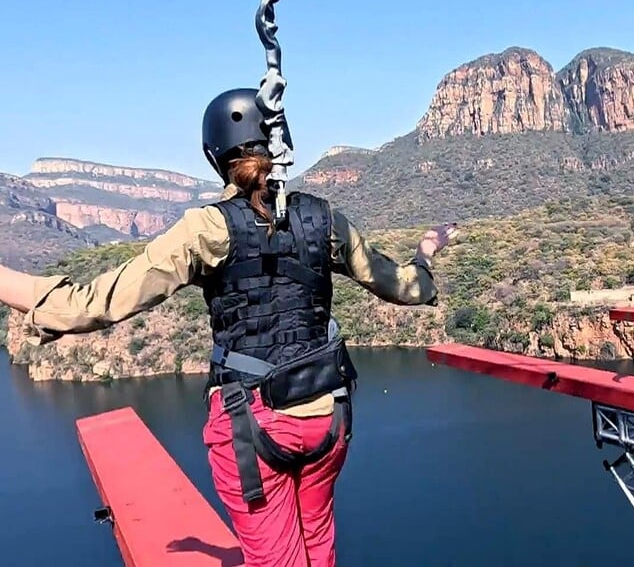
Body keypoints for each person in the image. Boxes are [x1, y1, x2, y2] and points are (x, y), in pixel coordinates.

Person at [0, 87, 459, 567]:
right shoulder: (323, 220)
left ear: (214, 154)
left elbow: (96, 304)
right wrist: (426, 253)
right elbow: (404, 287)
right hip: (328, 415)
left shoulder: (207, 229)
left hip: (252, 422)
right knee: (318, 547)